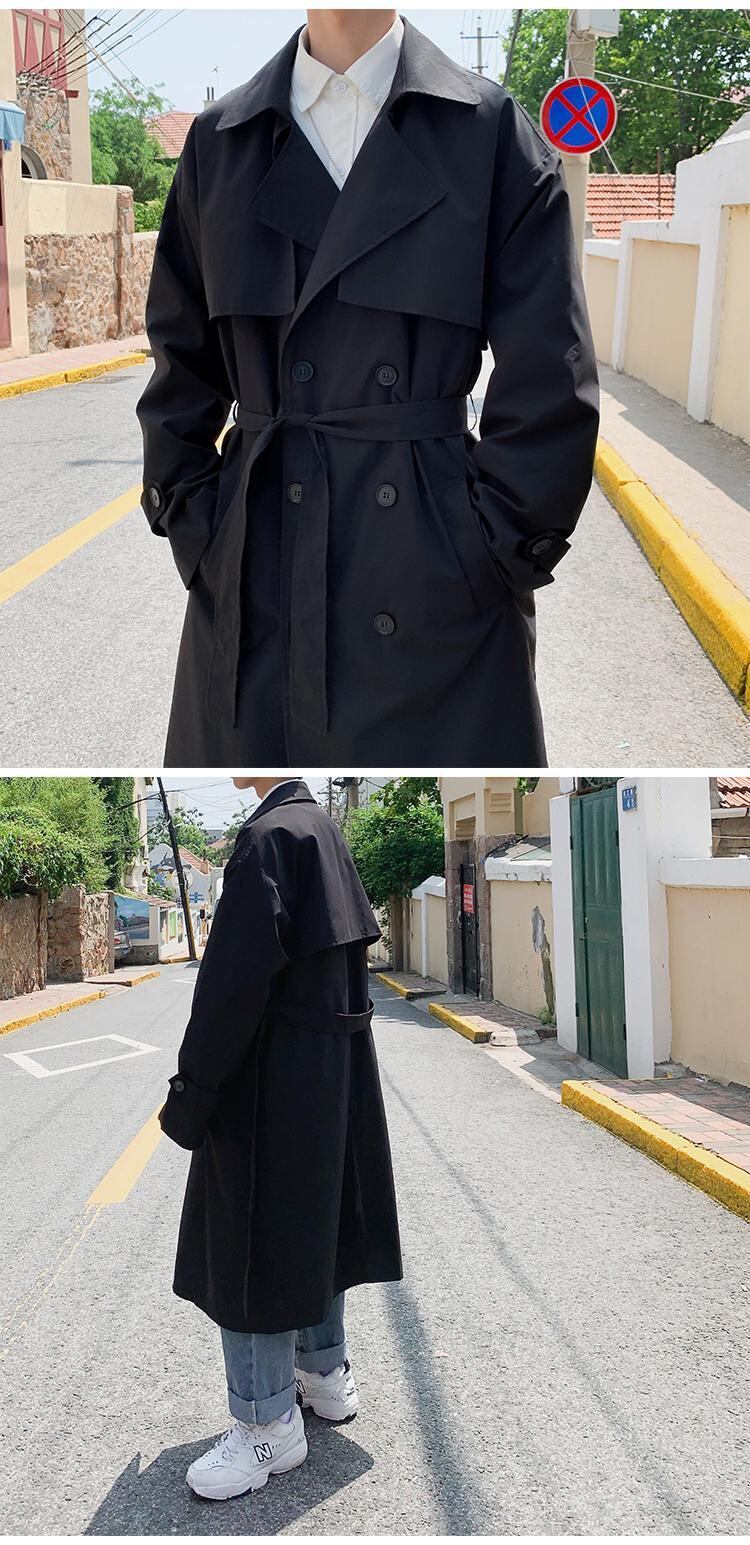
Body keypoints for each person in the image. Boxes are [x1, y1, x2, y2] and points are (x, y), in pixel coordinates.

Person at [137, 11, 599, 767]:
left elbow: (553, 378)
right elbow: (178, 366)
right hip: (255, 577)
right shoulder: (222, 143)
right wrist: (200, 530)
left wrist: (491, 554)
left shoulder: (488, 133)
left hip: (440, 599)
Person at [158, 776, 402, 1500]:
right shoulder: (322, 829)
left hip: (268, 1085)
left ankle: (267, 1425)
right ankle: (324, 1376)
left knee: (253, 1246)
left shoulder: (265, 840)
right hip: (329, 1078)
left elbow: (229, 993)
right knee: (315, 1222)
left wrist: (192, 1093)